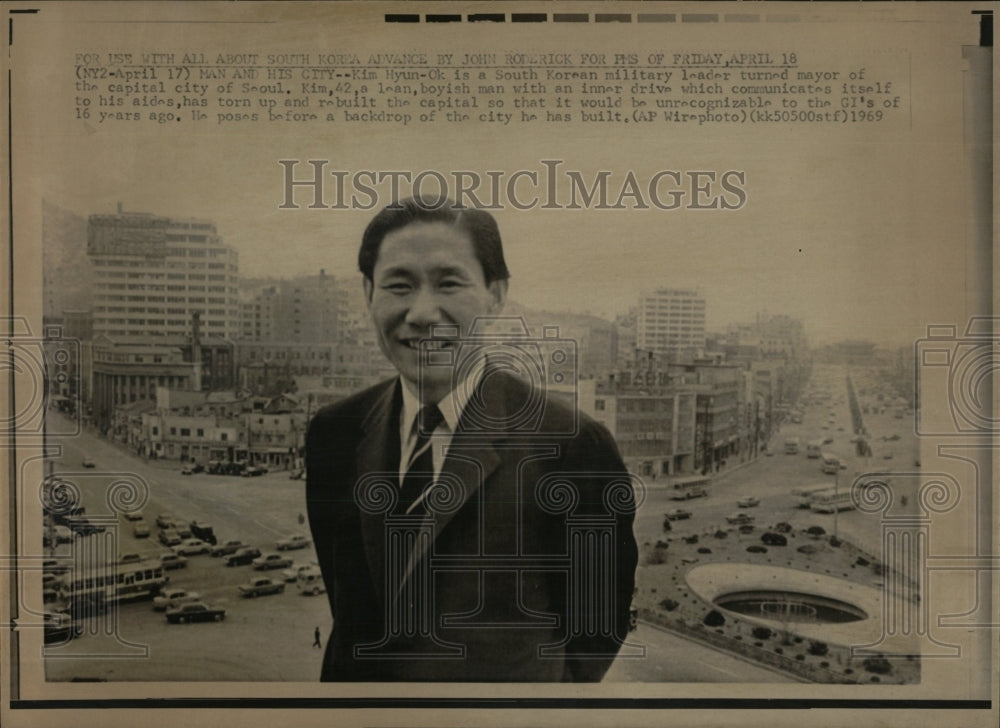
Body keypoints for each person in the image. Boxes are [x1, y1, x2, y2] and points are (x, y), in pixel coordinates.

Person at [305, 197, 638, 682]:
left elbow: (598, 622)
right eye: (398, 285)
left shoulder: (571, 444)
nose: (420, 313)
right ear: (367, 292)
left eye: (449, 283)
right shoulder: (334, 430)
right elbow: (349, 603)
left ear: (496, 294)